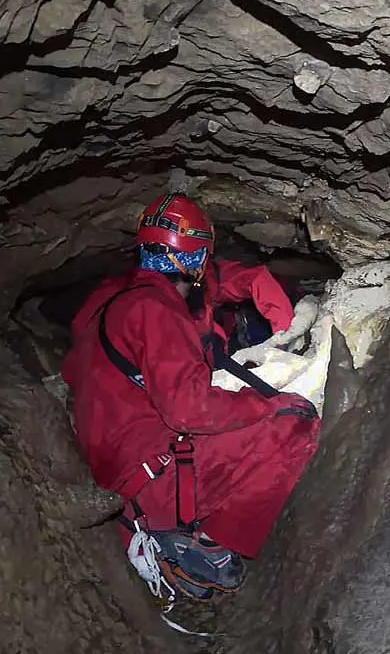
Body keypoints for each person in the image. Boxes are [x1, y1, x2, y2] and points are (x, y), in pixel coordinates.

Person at [61, 193, 322, 601]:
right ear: (197, 257)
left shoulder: (113, 303)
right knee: (295, 422)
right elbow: (189, 410)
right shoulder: (157, 308)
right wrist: (264, 405)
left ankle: (172, 526)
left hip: (115, 472)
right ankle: (203, 539)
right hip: (154, 479)